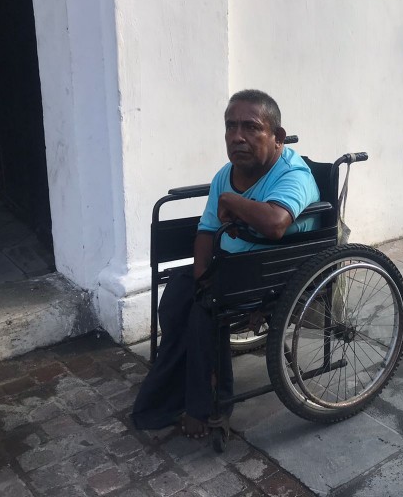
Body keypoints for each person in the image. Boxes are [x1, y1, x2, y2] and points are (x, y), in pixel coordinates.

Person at [131, 90, 320, 437]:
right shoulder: (226, 173)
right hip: (229, 266)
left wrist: (232, 200)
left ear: (277, 136)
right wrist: (202, 276)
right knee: (177, 298)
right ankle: (172, 386)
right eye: (231, 126)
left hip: (273, 271)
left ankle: (209, 407)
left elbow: (276, 222)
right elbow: (206, 230)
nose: (237, 136)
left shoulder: (292, 175)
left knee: (205, 311)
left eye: (251, 127)